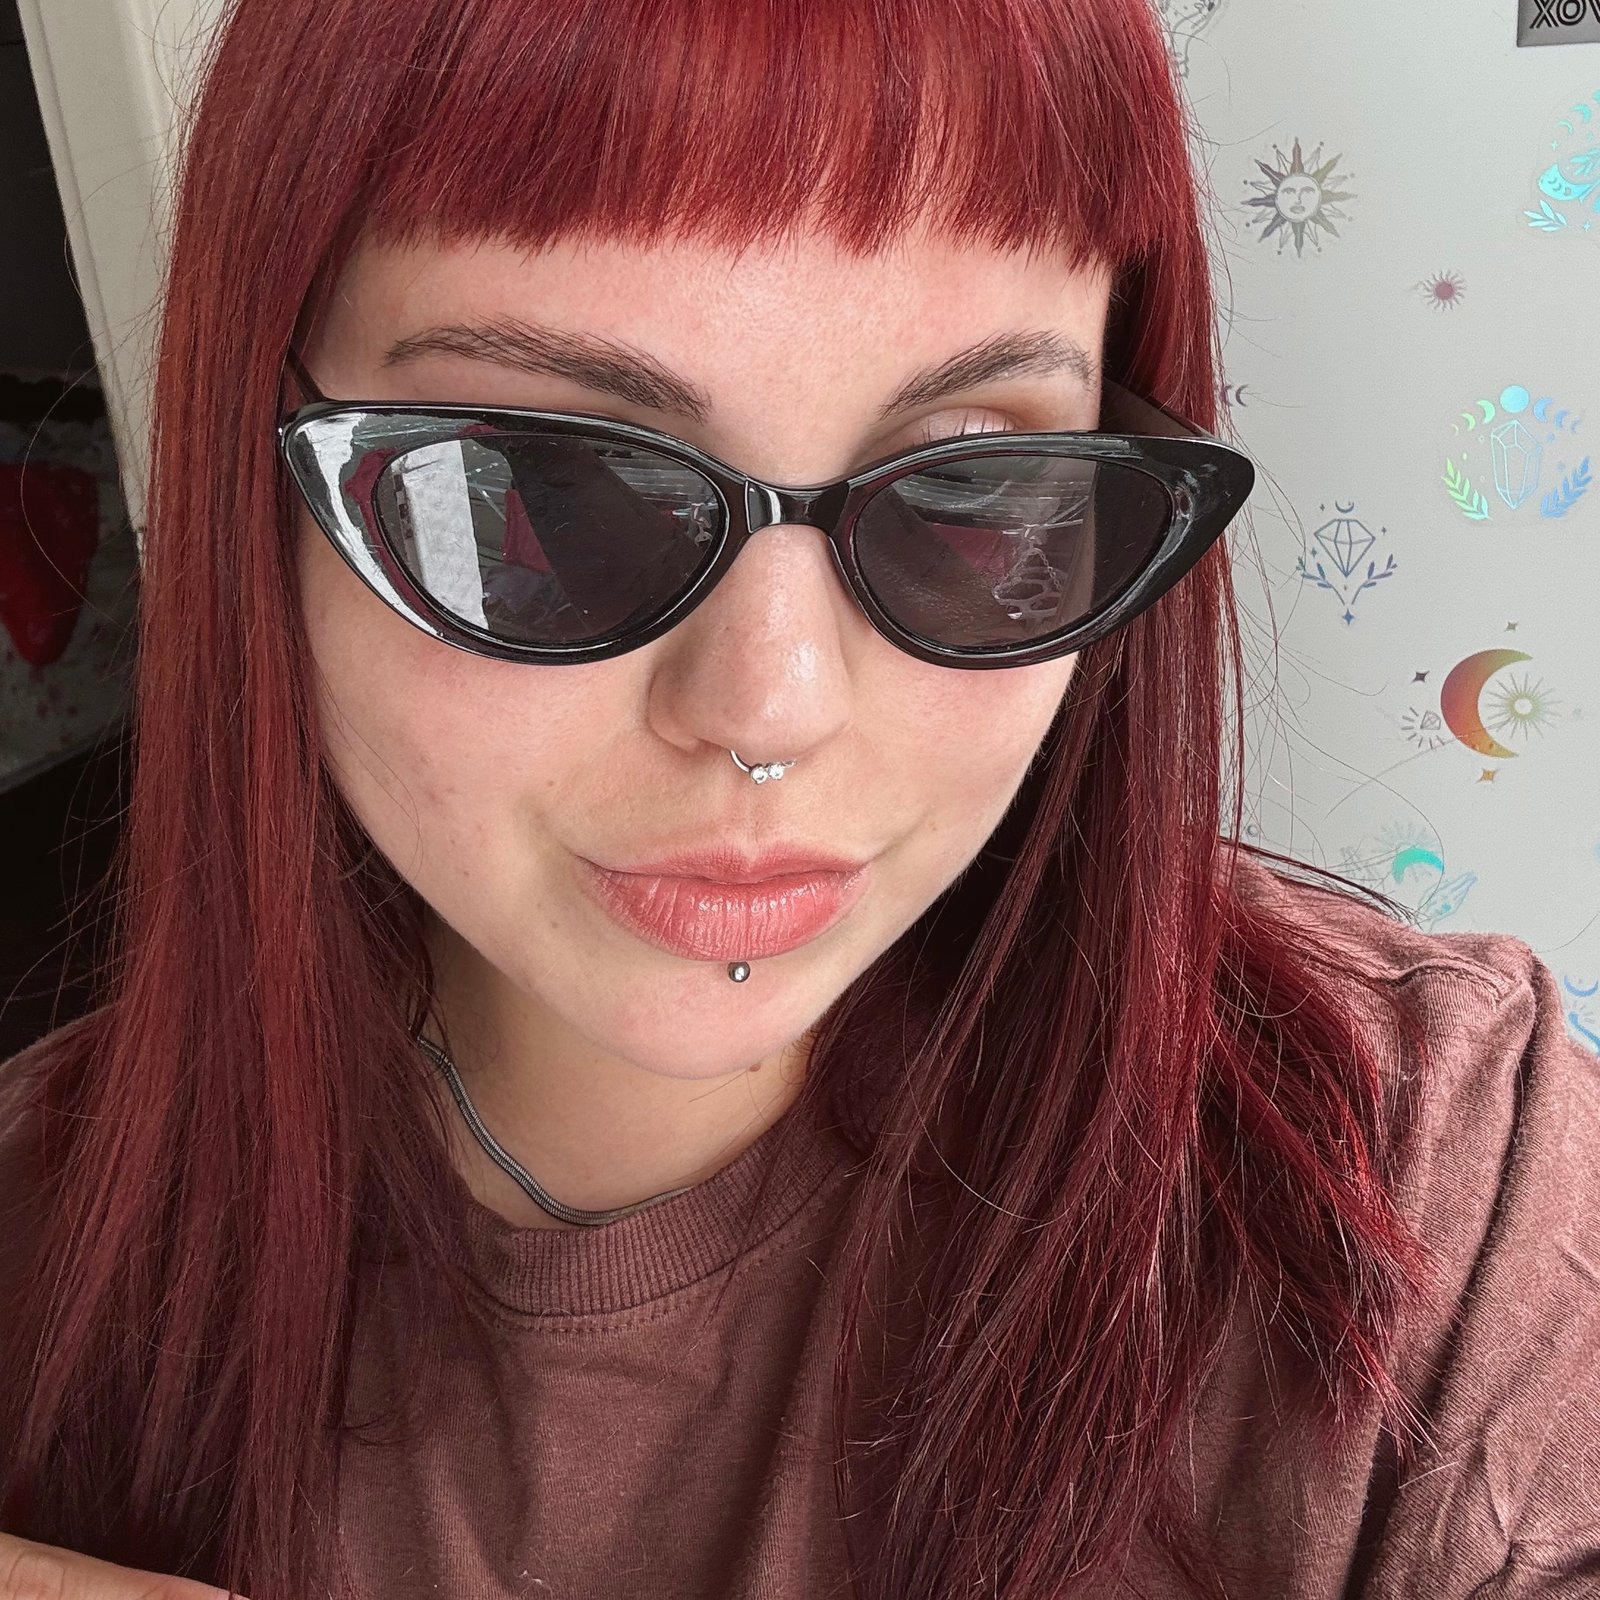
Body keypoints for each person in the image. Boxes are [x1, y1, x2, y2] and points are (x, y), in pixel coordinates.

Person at [2, 1, 1597, 1597]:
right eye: (548, 493)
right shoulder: (40, 1248)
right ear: (256, 470)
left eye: (971, 488)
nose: (772, 711)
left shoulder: (1431, 1179)